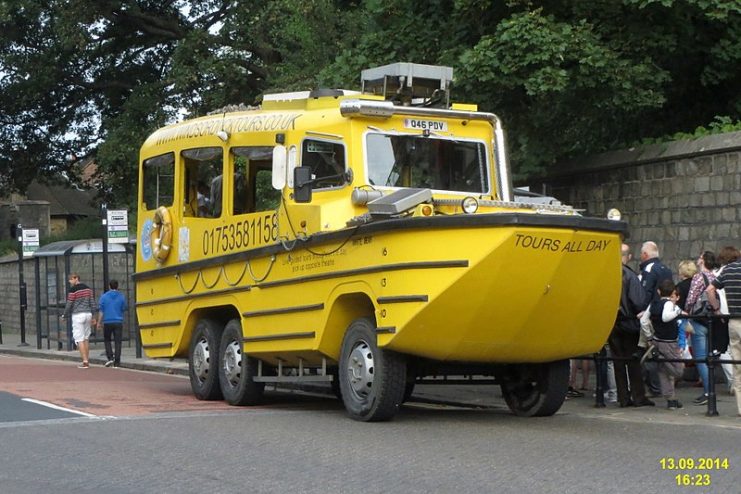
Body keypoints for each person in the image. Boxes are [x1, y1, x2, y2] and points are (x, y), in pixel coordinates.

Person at [609, 244, 654, 407]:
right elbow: (638, 301)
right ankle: (638, 396)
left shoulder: (606, 274)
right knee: (633, 360)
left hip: (612, 322)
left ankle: (623, 397)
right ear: (627, 256)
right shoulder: (629, 275)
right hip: (629, 322)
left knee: (618, 362)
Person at [640, 279, 686, 409]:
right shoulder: (669, 304)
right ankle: (671, 397)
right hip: (669, 341)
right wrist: (677, 312)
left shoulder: (653, 304)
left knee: (664, 373)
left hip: (656, 340)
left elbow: (644, 320)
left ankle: (671, 399)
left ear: (659, 291)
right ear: (672, 292)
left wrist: (649, 337)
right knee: (678, 370)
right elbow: (666, 317)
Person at [708, 251, 741, 416]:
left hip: (733, 321)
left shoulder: (728, 270)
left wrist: (717, 310)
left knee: (737, 365)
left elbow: (710, 290)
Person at [638, 241, 673, 396]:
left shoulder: (649, 269)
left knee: (648, 350)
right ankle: (661, 386)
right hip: (663, 313)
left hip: (651, 314)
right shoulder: (666, 269)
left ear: (645, 254)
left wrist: (641, 310)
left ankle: (653, 387)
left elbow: (645, 293)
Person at [683, 251, 718, 406]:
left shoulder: (699, 277)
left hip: (698, 319)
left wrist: (686, 312)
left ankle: (708, 391)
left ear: (703, 261)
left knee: (701, 358)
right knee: (709, 357)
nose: (697, 259)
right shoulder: (714, 276)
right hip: (711, 319)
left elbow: (691, 298)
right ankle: (710, 391)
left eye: (700, 257)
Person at [714, 246, 740, 395]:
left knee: (734, 358)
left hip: (729, 317)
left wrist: (717, 309)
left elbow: (710, 290)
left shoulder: (723, 272)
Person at [61, 273, 95, 368]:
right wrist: (93, 316)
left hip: (78, 315)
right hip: (88, 314)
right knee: (86, 338)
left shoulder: (73, 290)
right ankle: (87, 359)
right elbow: (92, 302)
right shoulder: (88, 289)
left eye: (71, 279)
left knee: (79, 338)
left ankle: (85, 361)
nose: (70, 282)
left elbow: (69, 304)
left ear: (76, 278)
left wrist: (64, 315)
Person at [96, 279, 128, 368]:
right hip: (118, 321)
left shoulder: (104, 297)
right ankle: (117, 362)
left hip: (107, 321)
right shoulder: (121, 296)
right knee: (118, 342)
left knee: (107, 340)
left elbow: (101, 310)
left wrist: (99, 322)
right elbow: (124, 308)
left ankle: (110, 357)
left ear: (109, 286)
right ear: (117, 286)